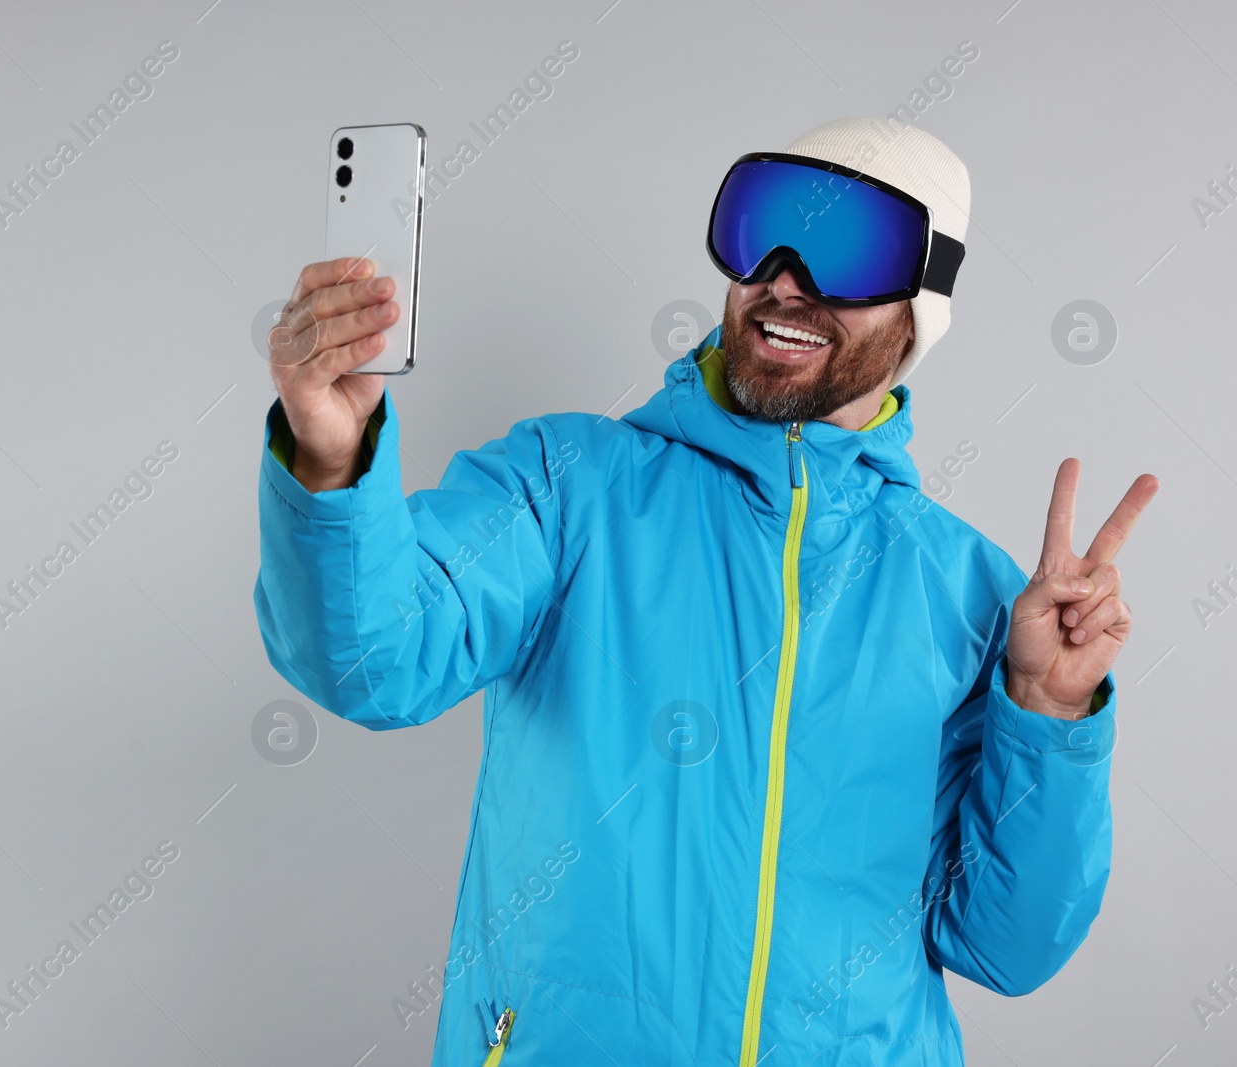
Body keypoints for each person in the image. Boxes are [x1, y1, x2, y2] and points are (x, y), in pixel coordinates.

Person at [252, 116, 1158, 1066]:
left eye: (847, 247)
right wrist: (329, 455)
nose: (785, 278)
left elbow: (1005, 945)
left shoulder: (971, 595)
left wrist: (1049, 713)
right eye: (760, 229)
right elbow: (370, 659)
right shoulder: (568, 488)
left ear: (919, 309)